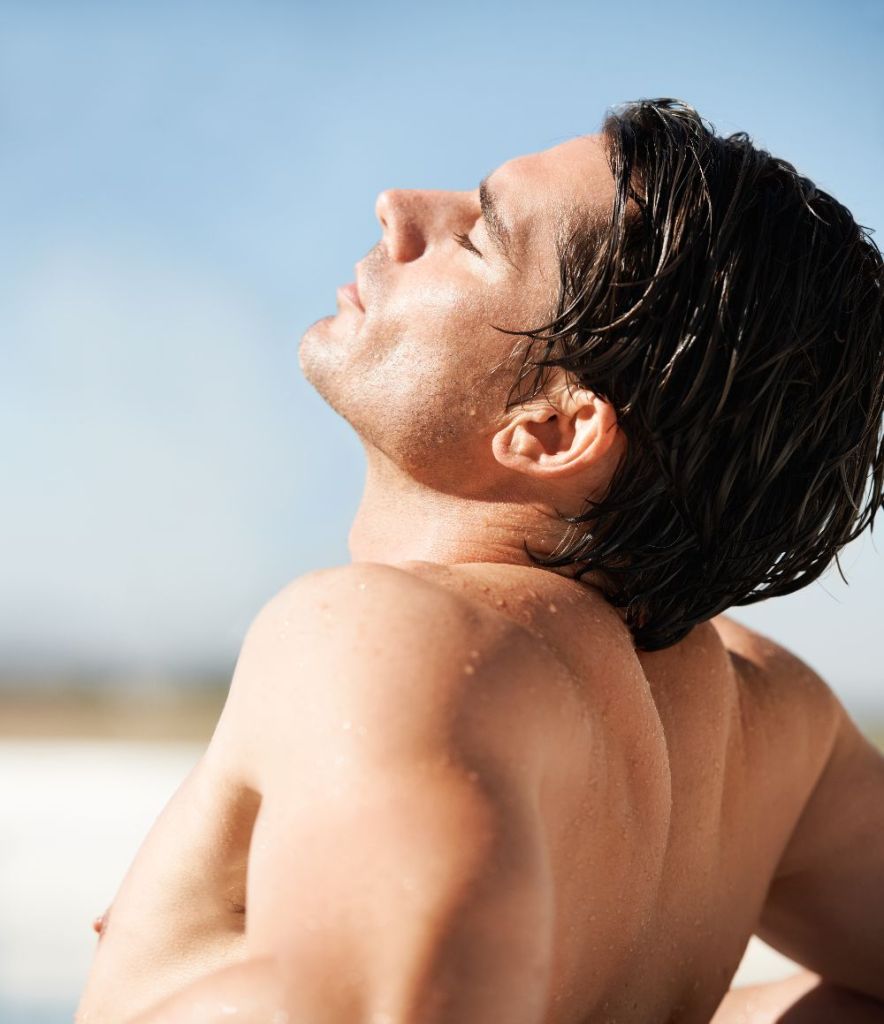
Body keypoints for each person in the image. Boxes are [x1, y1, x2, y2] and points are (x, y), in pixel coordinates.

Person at [76, 98, 884, 1024]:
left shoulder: (386, 637)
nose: (398, 206)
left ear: (551, 426)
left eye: (478, 237)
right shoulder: (771, 725)